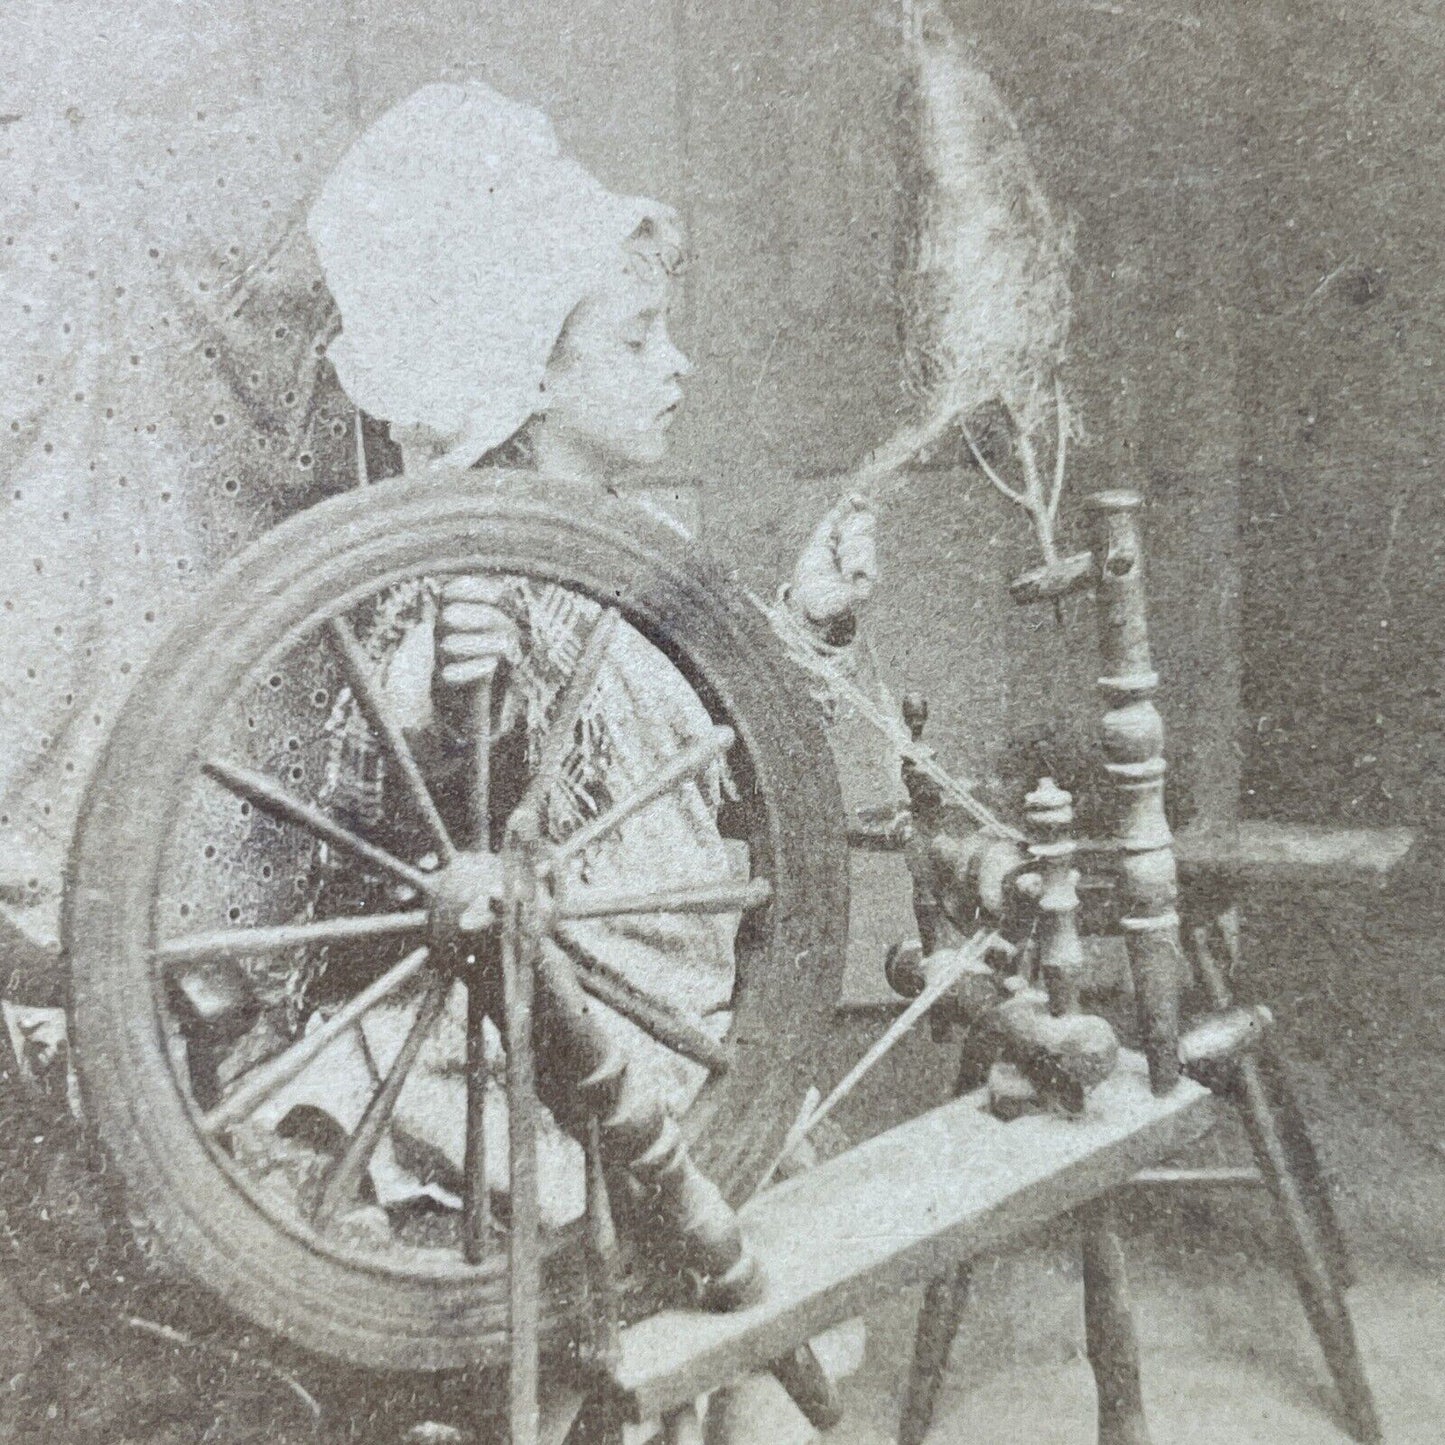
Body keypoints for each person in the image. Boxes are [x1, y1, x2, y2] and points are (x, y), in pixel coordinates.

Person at [299, 82, 874, 1443]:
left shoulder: (618, 557)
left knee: (759, 1326)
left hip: (671, 1027)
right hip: (545, 1051)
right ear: (532, 375)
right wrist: (448, 698)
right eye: (637, 335)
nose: (675, 364)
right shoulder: (465, 572)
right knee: (685, 1321)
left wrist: (807, 621)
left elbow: (716, 760)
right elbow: (396, 772)